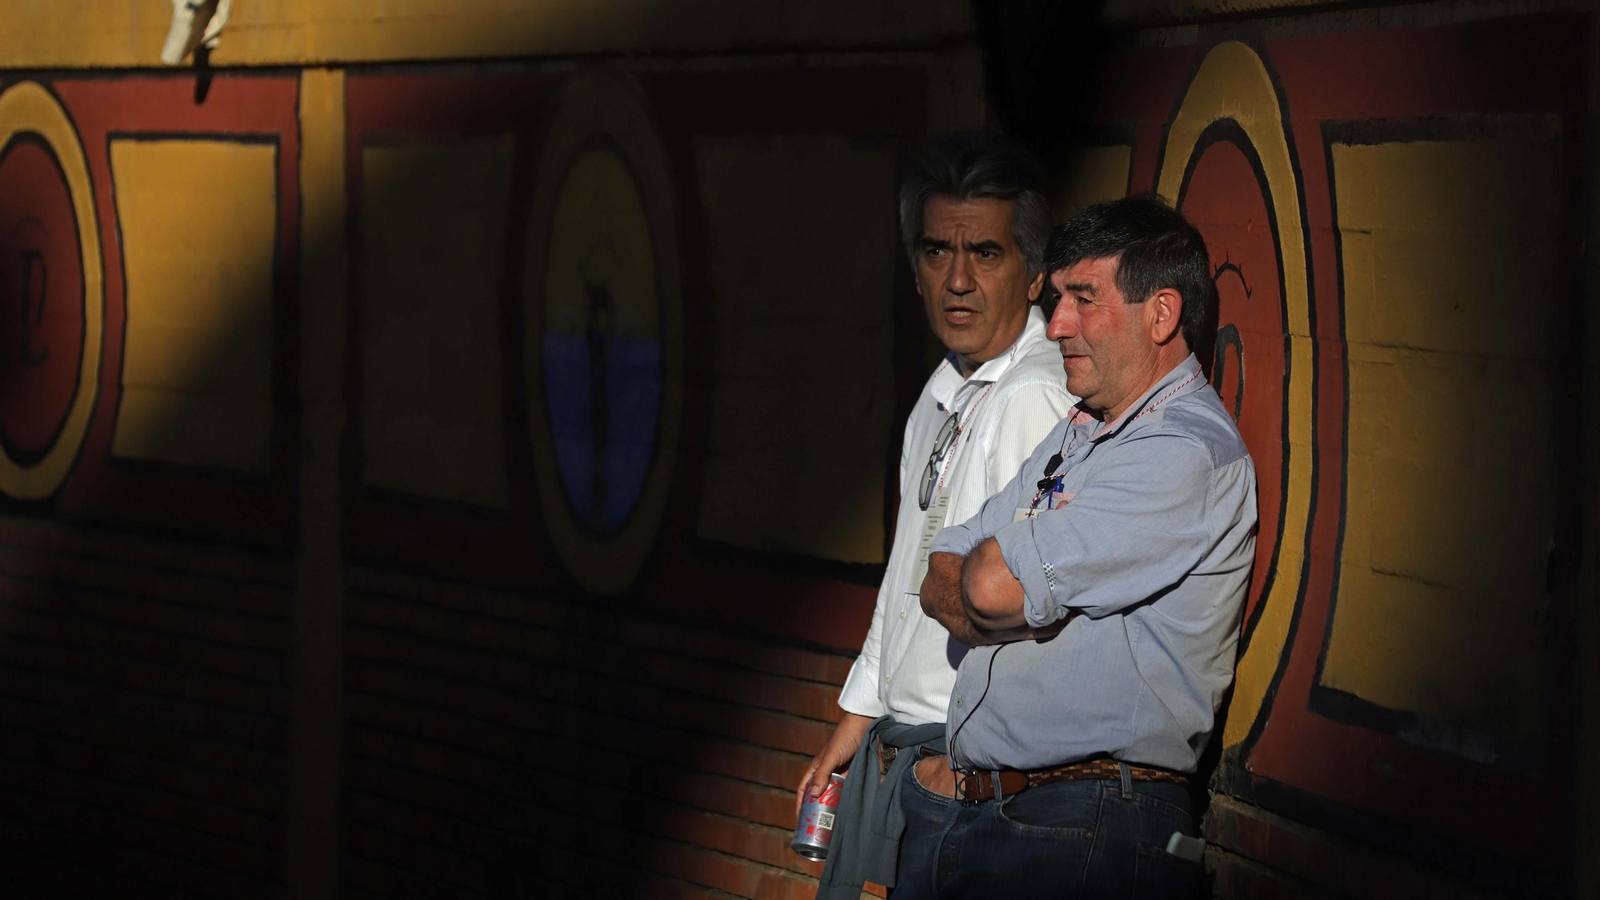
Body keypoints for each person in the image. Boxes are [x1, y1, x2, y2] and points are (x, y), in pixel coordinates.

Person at [908, 195, 1258, 898]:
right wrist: (1024, 602)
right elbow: (941, 568)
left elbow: (989, 585)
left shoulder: (1184, 451)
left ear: (1161, 314)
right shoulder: (1081, 427)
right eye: (1059, 297)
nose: (1055, 322)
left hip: (1084, 823)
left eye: (1083, 298)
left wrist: (997, 592)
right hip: (991, 812)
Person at [798, 131, 1079, 898]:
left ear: (1033, 275)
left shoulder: (1033, 397)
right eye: (934, 253)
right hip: (899, 745)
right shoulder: (945, 387)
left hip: (955, 765)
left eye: (984, 254)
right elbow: (904, 576)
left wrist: (964, 764)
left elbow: (1044, 608)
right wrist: (854, 721)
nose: (956, 280)